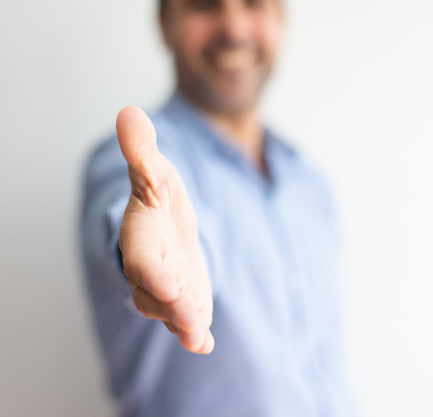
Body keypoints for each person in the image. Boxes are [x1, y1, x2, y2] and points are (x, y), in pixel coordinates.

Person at [80, 0, 354, 415]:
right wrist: (149, 253)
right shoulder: (137, 163)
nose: (234, 28)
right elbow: (141, 219)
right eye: (205, 5)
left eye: (254, 4)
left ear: (280, 19)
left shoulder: (310, 186)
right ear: (164, 23)